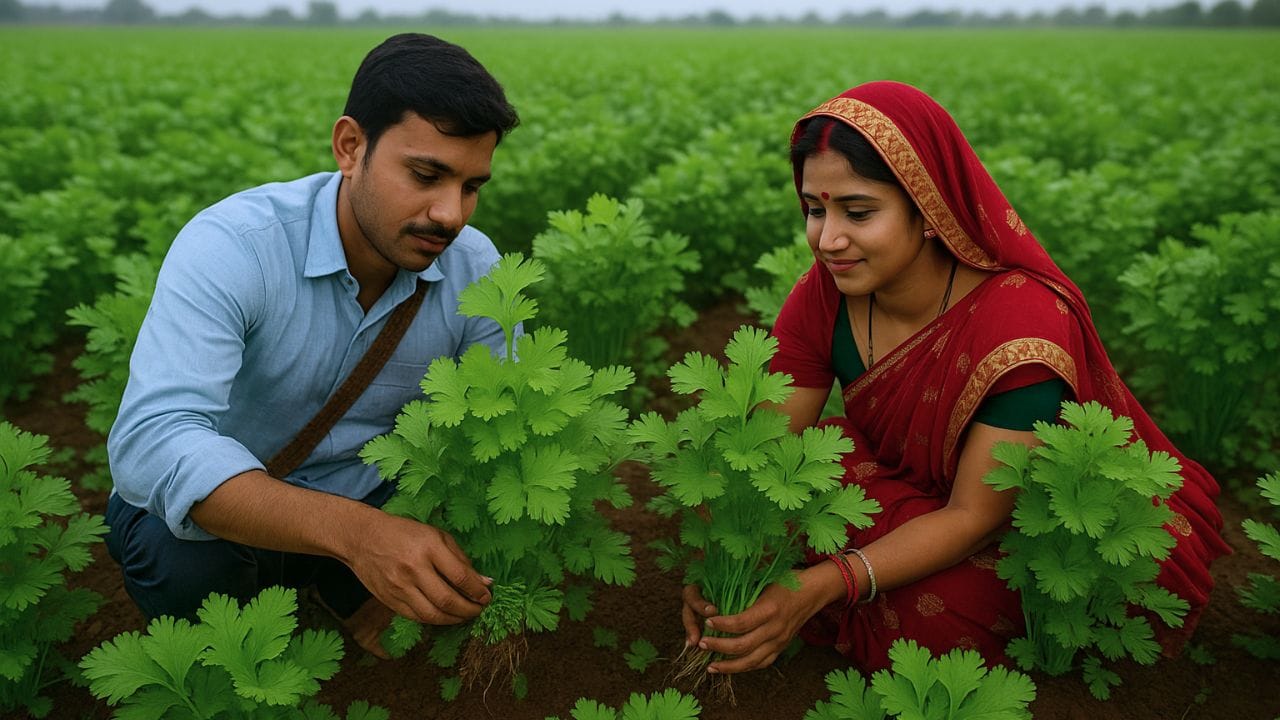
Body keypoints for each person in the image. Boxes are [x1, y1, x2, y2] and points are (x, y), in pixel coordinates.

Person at [680, 81, 1230, 674]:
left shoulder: (1020, 327)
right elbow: (761, 449)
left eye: (858, 212)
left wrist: (821, 584)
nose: (828, 240)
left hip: (1015, 531)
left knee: (932, 624)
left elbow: (975, 516)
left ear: (931, 209)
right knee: (798, 486)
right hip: (902, 491)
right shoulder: (825, 293)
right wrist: (719, 564)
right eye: (815, 210)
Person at [105, 33, 519, 658]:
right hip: (235, 513)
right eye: (426, 174)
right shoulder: (237, 245)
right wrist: (358, 535)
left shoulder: (477, 272)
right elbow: (155, 439)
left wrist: (403, 537)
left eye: (471, 186)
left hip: (377, 493)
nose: (450, 214)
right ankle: (337, 571)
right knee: (186, 570)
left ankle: (341, 583)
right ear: (350, 147)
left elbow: (501, 436)